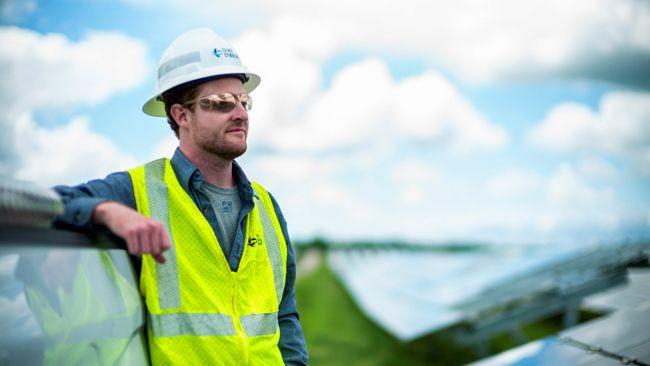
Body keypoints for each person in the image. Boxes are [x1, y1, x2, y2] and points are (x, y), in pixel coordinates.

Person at [52, 28, 308, 365]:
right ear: (180, 115)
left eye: (243, 101)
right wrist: (109, 212)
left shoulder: (266, 204)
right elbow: (50, 202)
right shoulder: (136, 191)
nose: (241, 114)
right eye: (221, 103)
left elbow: (284, 315)